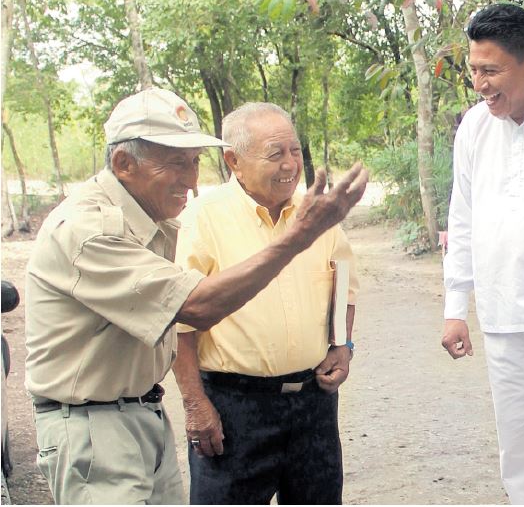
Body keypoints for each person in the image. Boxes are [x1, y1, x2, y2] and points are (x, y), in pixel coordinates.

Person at [23, 87, 368, 505]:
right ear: (123, 163)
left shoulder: (153, 224)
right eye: (176, 164)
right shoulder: (91, 231)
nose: (190, 179)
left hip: (147, 414)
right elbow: (193, 308)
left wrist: (341, 344)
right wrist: (297, 239)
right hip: (103, 423)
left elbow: (342, 277)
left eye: (193, 162)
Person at [171, 102, 359, 504]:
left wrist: (342, 345)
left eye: (294, 151)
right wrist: (194, 404)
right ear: (233, 161)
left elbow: (343, 283)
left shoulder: (316, 212)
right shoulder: (203, 217)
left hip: (313, 403)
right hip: (234, 408)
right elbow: (180, 320)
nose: (290, 164)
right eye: (275, 154)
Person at [440, 3, 524, 503]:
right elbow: (463, 218)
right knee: (521, 456)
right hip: (501, 320)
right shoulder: (474, 128)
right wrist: (457, 308)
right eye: (474, 70)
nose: (480, 83)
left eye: (491, 70)